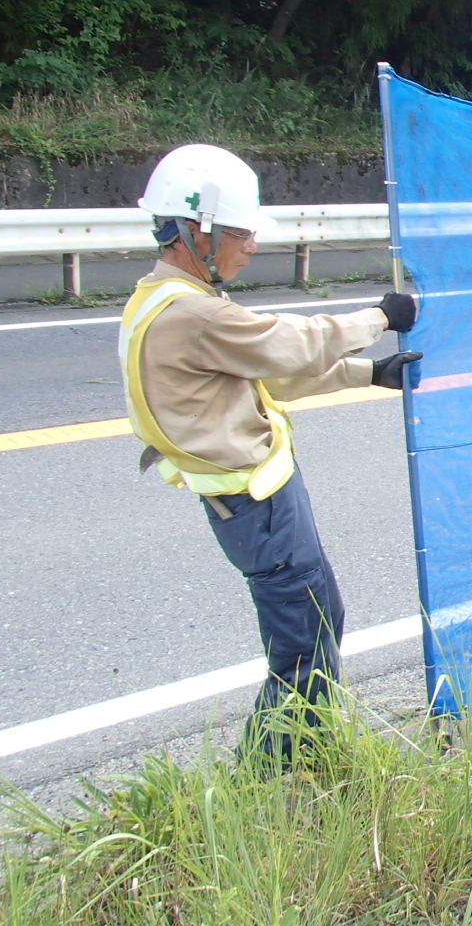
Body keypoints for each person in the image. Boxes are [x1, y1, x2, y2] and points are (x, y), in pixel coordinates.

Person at [117, 142, 422, 762]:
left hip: (260, 500)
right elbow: (288, 347)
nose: (251, 245)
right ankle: (279, 774)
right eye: (239, 232)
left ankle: (296, 756)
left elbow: (267, 376)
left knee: (318, 618)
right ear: (191, 231)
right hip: (257, 506)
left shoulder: (163, 299)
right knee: (304, 641)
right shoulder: (191, 314)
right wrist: (378, 317)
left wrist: (369, 374)